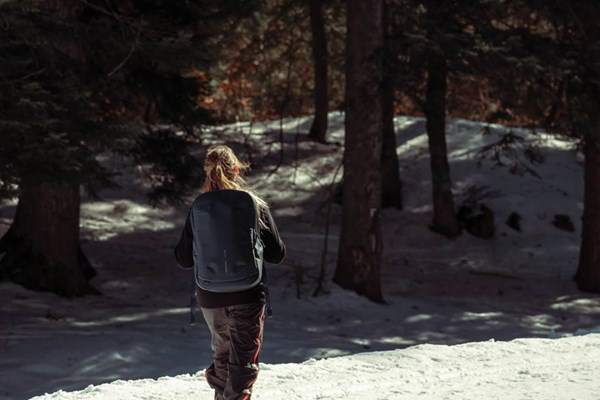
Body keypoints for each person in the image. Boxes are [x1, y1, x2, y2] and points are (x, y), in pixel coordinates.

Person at [174, 144, 286, 400]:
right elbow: (277, 254)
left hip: (210, 295)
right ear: (236, 170)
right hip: (248, 293)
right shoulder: (254, 205)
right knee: (242, 364)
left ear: (207, 171)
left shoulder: (199, 208)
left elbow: (182, 259)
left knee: (223, 359)